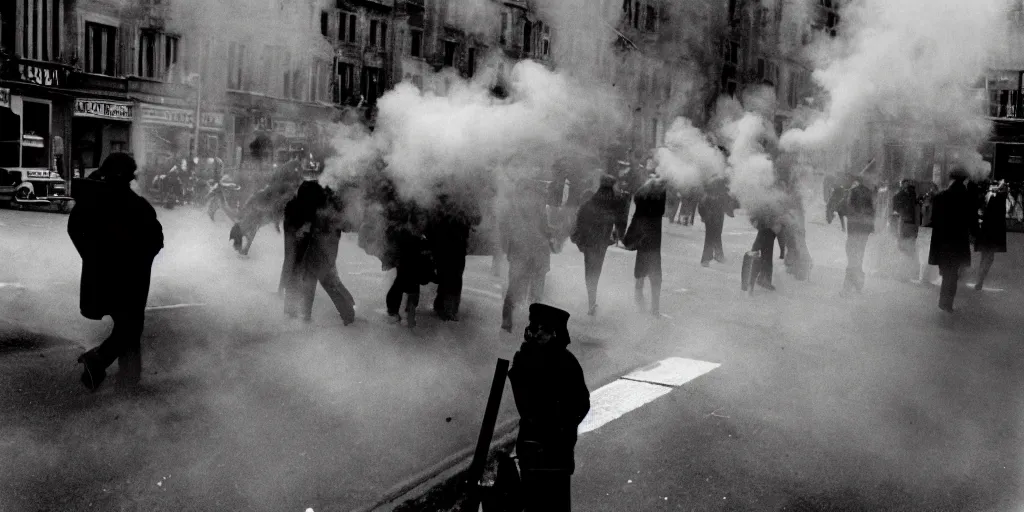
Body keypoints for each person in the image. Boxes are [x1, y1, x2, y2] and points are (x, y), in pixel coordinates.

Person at [68, 153, 164, 392]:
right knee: (131, 326)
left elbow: (75, 229)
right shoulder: (136, 205)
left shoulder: (91, 200)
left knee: (127, 326)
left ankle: (127, 378)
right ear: (129, 176)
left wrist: (91, 256)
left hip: (102, 276)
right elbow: (156, 240)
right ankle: (101, 361)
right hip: (130, 279)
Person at [509, 303, 590, 512]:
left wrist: (559, 427)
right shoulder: (527, 357)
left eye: (538, 330)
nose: (532, 335)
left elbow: (581, 403)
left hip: (554, 450)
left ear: (553, 333)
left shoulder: (565, 362)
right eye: (531, 329)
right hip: (536, 447)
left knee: (552, 502)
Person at [292, 184, 357, 325]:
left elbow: (310, 227)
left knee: (324, 282)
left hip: (321, 251)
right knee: (318, 281)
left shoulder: (322, 210)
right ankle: (346, 313)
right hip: (324, 252)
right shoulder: (331, 209)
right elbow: (346, 226)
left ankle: (348, 314)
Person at [501, 180, 554, 332]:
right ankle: (535, 324)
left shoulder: (514, 205)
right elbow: (544, 228)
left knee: (514, 285)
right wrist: (550, 234)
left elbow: (508, 228)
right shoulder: (539, 205)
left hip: (520, 250)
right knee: (537, 288)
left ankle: (507, 320)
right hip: (536, 251)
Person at [571, 175, 628, 316]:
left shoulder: (590, 201)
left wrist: (579, 238)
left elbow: (579, 219)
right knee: (595, 271)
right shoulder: (614, 203)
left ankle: (591, 301)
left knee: (590, 270)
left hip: (589, 242)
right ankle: (592, 302)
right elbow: (621, 221)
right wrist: (618, 234)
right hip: (600, 243)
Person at [426, 183, 482, 321]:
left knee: (451, 275)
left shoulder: (460, 197)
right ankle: (446, 307)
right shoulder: (444, 196)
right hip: (446, 241)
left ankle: (446, 306)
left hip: (453, 242)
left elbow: (476, 218)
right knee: (450, 275)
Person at [928, 169, 976, 312]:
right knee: (953, 273)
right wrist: (974, 235)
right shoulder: (968, 197)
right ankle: (947, 303)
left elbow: (933, 219)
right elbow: (972, 221)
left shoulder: (940, 196)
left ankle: (944, 301)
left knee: (946, 271)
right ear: (964, 180)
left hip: (942, 240)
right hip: (958, 241)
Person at [623, 175, 667, 316]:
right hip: (653, 244)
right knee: (656, 277)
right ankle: (655, 309)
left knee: (640, 274)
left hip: (643, 243)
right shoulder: (657, 203)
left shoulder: (642, 202)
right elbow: (662, 209)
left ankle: (639, 306)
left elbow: (635, 218)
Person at [384, 197, 431, 328]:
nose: (424, 222)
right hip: (405, 262)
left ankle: (409, 314)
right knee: (401, 285)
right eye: (421, 219)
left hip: (413, 264)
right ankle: (393, 312)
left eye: (424, 219)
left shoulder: (421, 236)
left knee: (412, 289)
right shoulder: (405, 232)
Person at [842, 176, 876, 295]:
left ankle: (848, 287)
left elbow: (846, 209)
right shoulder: (869, 193)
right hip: (864, 231)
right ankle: (858, 284)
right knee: (858, 256)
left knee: (852, 257)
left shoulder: (852, 192)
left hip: (854, 230)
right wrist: (871, 229)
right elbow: (872, 212)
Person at [973, 180, 1008, 291]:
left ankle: (980, 280)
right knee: (988, 258)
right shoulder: (998, 199)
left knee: (985, 258)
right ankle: (980, 280)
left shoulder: (989, 197)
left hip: (986, 232)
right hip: (992, 234)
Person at [699, 177, 736, 266]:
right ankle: (712, 257)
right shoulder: (723, 195)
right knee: (715, 236)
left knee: (711, 236)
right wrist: (730, 212)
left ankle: (712, 257)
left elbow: (701, 205)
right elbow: (728, 206)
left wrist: (703, 216)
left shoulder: (708, 194)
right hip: (717, 218)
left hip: (710, 218)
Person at [890, 179, 920, 281]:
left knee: (905, 248)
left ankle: (906, 273)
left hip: (906, 225)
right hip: (908, 225)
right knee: (907, 248)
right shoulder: (910, 197)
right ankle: (907, 273)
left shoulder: (908, 196)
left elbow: (896, 207)